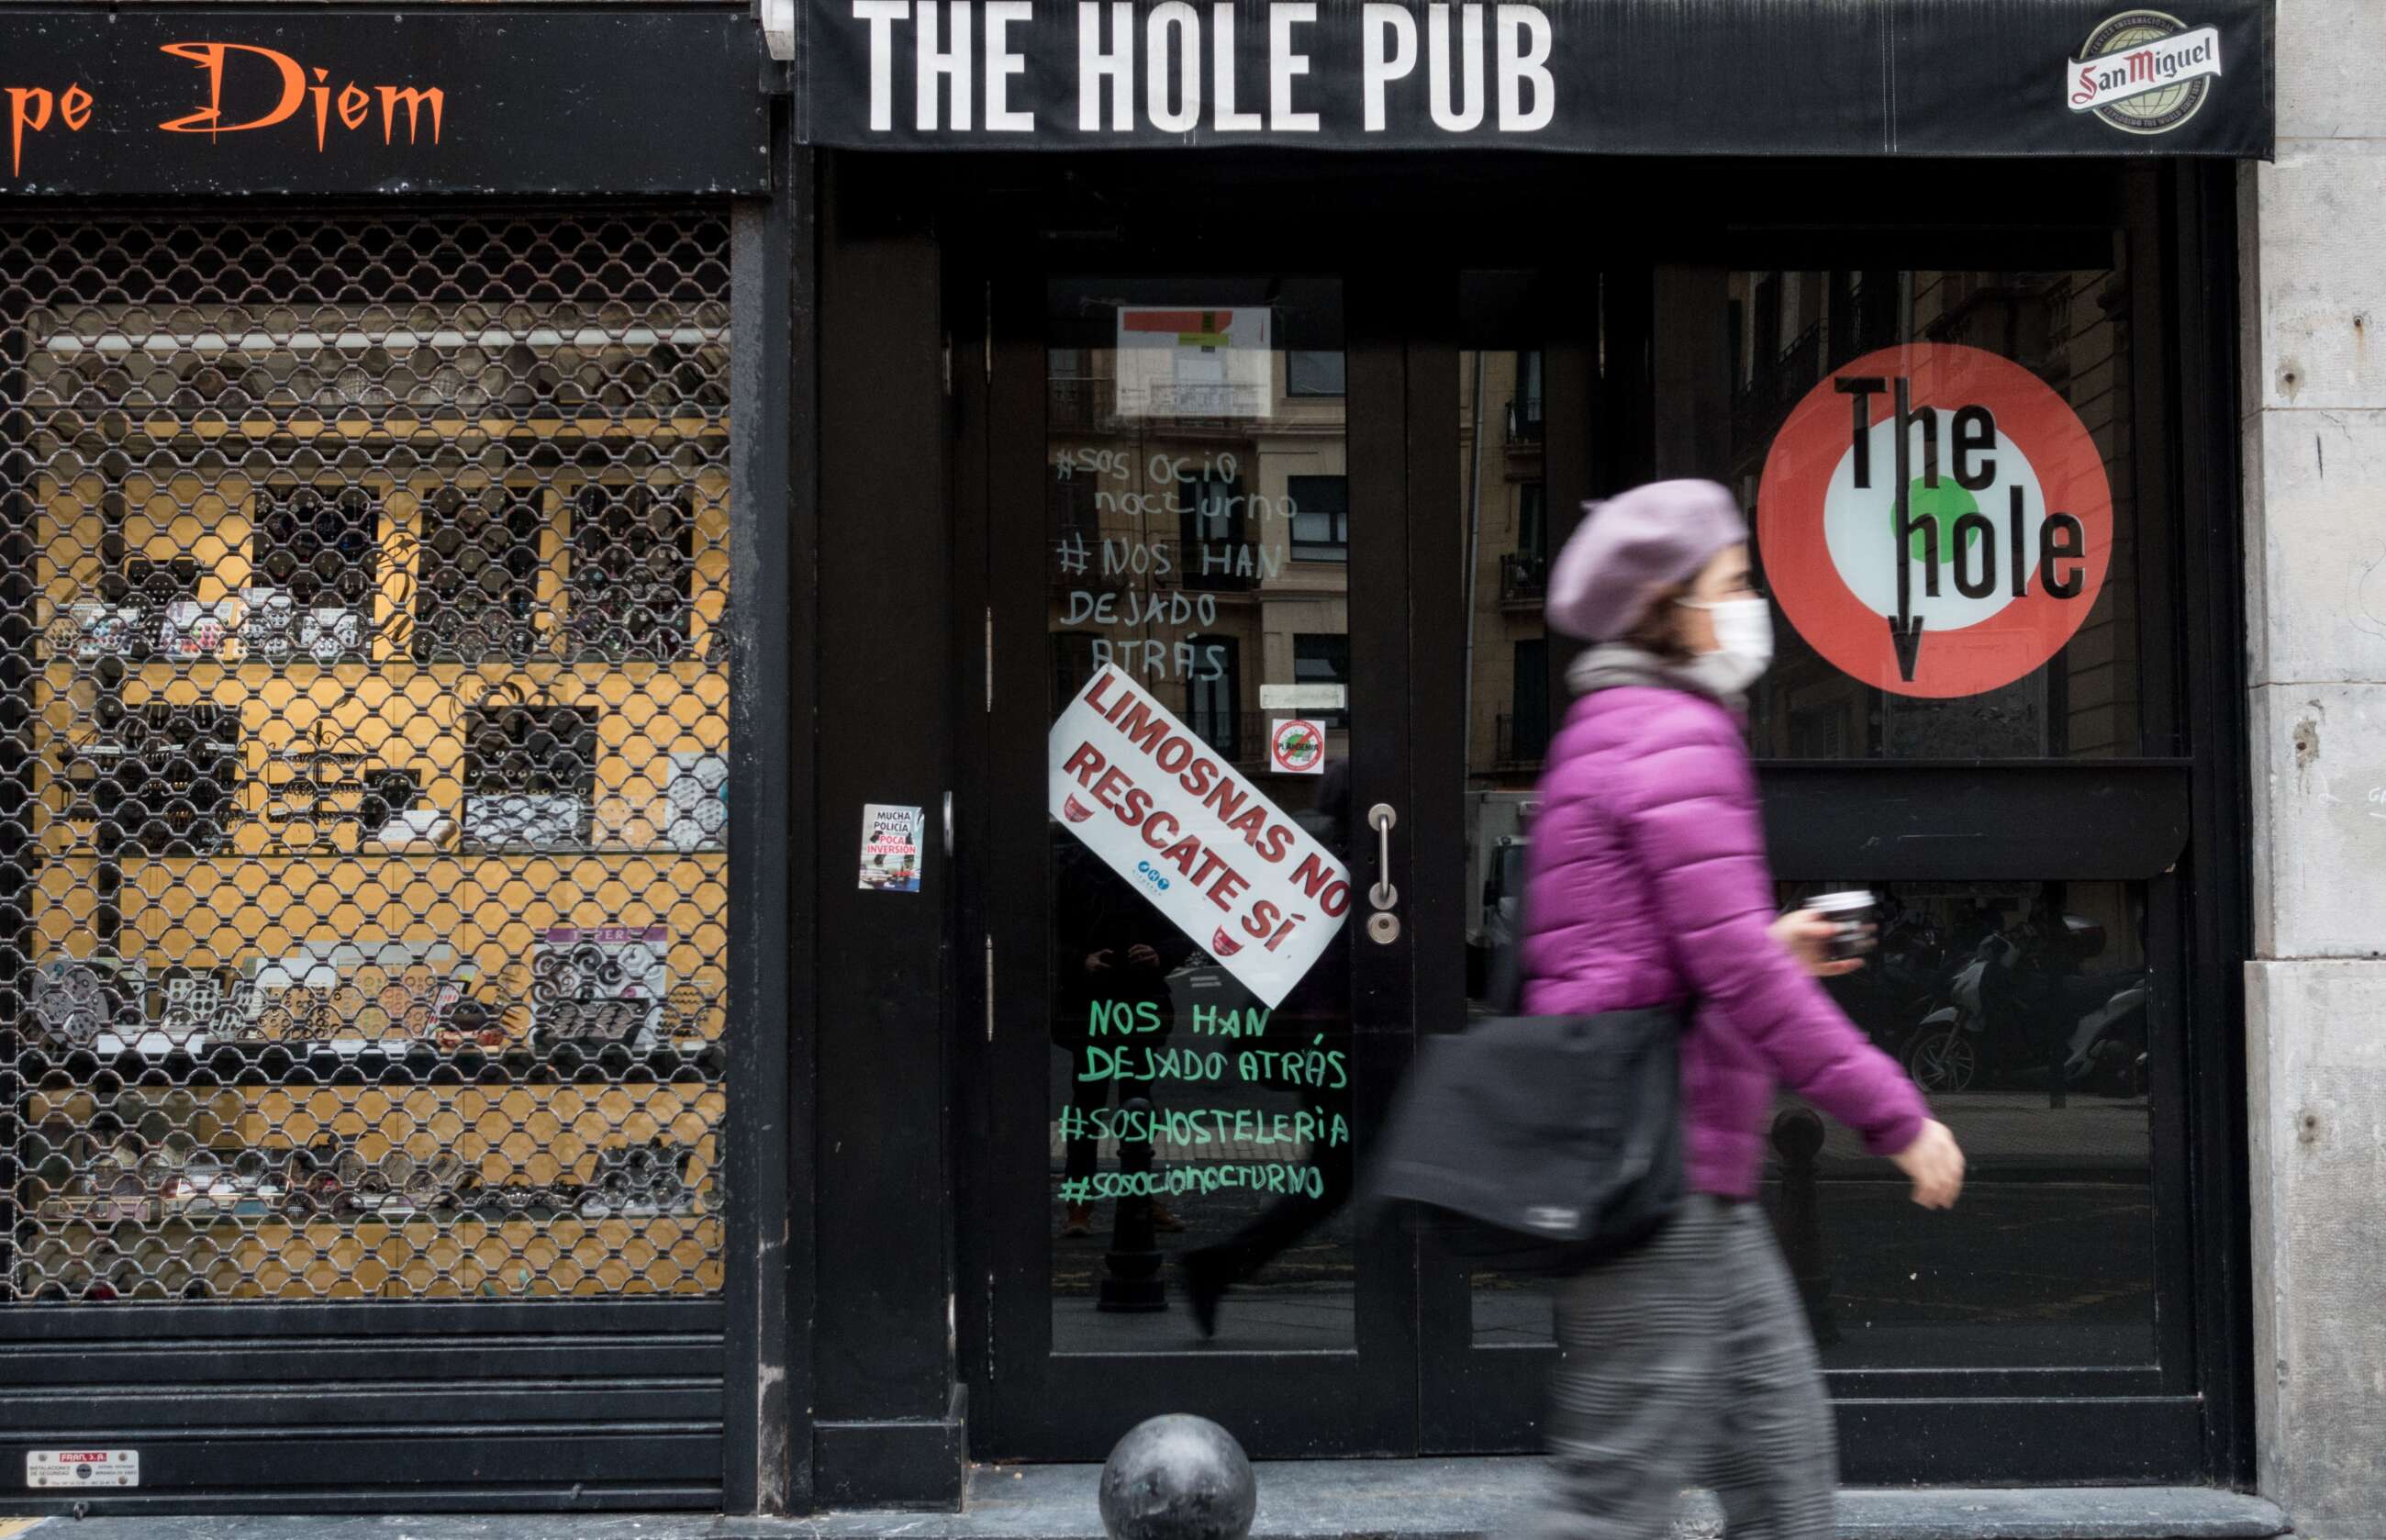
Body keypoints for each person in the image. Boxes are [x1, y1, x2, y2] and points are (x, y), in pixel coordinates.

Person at [1523, 479, 1966, 1540]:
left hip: (1680, 1170)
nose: (1748, 603)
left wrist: (1770, 944)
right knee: (1613, 1498)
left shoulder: (1611, 726)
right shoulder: (1671, 734)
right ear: (1667, 602)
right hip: (1653, 1173)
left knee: (1781, 1476)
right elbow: (1735, 980)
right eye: (1731, 583)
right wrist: (1895, 1116)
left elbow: (1643, 953)